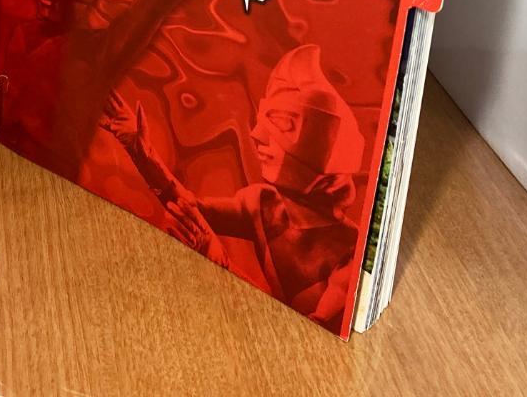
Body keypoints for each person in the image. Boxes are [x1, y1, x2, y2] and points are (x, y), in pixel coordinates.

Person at [101, 44, 364, 332]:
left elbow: (305, 335)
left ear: (320, 147)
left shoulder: (350, 257)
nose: (257, 135)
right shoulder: (262, 204)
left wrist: (221, 261)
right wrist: (139, 149)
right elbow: (187, 208)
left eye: (281, 123)